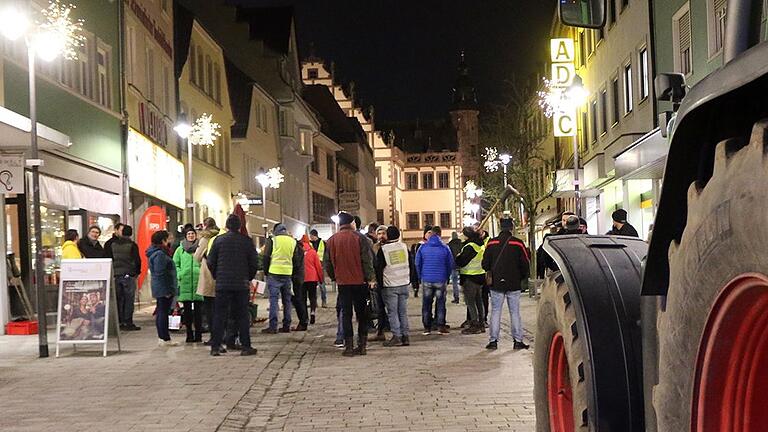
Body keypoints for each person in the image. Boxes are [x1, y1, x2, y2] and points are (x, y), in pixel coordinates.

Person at [207, 214, 259, 356]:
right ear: (240, 226)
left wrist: (217, 276)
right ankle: (246, 346)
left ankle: (215, 346)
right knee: (242, 315)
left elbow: (210, 261)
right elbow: (254, 263)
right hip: (241, 285)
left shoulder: (218, 241)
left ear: (227, 226)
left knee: (219, 315)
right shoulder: (246, 242)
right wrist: (248, 277)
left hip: (223, 284)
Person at [325, 211, 375, 357]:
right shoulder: (360, 238)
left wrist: (335, 277)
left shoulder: (331, 240)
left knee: (346, 314)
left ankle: (348, 346)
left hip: (343, 283)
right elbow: (367, 261)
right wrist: (371, 278)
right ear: (351, 222)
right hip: (360, 282)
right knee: (362, 314)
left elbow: (327, 264)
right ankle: (362, 345)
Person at [482, 217, 531, 350]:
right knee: (514, 312)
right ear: (511, 228)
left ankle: (493, 341)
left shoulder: (491, 243)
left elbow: (484, 264)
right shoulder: (518, 243)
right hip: (514, 283)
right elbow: (526, 264)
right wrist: (521, 277)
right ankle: (517, 340)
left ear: (500, 227)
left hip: (496, 283)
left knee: (496, 311)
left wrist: (492, 271)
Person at [261, 223, 304, 333]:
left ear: (276, 230)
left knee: (274, 300)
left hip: (274, 273)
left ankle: (273, 326)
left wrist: (266, 272)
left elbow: (266, 257)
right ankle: (286, 325)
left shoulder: (272, 240)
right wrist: (292, 271)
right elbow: (296, 260)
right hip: (287, 274)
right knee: (287, 301)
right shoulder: (292, 241)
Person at [375, 225, 411, 347]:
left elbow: (379, 268)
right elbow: (410, 264)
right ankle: (405, 336)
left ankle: (397, 336)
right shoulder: (404, 247)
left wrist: (379, 285)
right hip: (404, 282)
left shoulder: (384, 249)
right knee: (403, 312)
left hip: (390, 284)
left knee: (392, 312)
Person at [415, 225, 455, 335]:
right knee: (441, 303)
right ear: (440, 235)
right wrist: (446, 276)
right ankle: (440, 326)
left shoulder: (423, 247)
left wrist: (420, 276)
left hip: (426, 279)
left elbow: (417, 263)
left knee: (427, 303)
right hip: (440, 279)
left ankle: (427, 327)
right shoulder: (445, 248)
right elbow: (450, 264)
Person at [105, 225, 141, 331]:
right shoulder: (132, 245)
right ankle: (128, 322)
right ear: (130, 233)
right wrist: (136, 272)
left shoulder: (112, 244)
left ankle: (119, 322)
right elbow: (137, 261)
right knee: (129, 299)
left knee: (118, 299)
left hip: (116, 275)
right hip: (128, 275)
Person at [146, 230, 179, 347]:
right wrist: (167, 290)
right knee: (163, 312)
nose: (170, 240)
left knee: (161, 311)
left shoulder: (157, 252)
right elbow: (161, 272)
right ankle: (164, 338)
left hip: (161, 286)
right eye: (168, 238)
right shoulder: (160, 254)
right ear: (162, 240)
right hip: (163, 287)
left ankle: (163, 337)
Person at [174, 226, 203, 343]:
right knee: (187, 313)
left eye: (193, 234)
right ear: (185, 236)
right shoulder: (180, 250)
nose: (191, 236)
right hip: (185, 283)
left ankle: (199, 335)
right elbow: (175, 264)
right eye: (189, 234)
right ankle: (189, 334)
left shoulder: (200, 248)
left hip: (198, 283)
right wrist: (179, 274)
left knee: (198, 313)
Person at [455, 227, 486, 335]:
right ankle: (481, 323)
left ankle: (474, 324)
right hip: (480, 276)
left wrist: (458, 257)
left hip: (470, 277)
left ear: (466, 235)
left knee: (470, 302)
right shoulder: (480, 244)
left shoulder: (470, 246)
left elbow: (462, 261)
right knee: (479, 301)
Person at [194, 217, 219, 344]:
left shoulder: (204, 239)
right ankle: (221, 335)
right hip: (219, 275)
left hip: (208, 274)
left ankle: (213, 337)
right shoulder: (219, 237)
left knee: (209, 308)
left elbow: (197, 257)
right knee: (219, 308)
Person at [368, 224, 390, 342]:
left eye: (384, 233)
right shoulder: (374, 248)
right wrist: (372, 279)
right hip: (379, 282)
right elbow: (371, 264)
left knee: (392, 308)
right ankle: (380, 331)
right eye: (379, 234)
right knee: (380, 308)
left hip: (391, 281)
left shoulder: (391, 246)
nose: (382, 236)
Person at [300, 234, 323, 325]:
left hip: (302, 278)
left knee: (303, 298)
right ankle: (312, 312)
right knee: (312, 297)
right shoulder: (313, 252)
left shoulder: (299, 252)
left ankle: (305, 316)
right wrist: (321, 279)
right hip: (312, 278)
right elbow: (318, 266)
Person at [409, 226, 432, 298]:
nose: (430, 234)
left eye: (431, 233)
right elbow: (418, 258)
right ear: (425, 234)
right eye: (428, 232)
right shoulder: (421, 244)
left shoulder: (434, 244)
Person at [309, 229, 328, 308]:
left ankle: (324, 301)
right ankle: (314, 302)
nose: (311, 237)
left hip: (320, 266)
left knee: (321, 285)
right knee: (312, 286)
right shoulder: (309, 243)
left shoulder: (323, 243)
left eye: (311, 236)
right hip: (312, 267)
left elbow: (326, 255)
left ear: (315, 236)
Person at [448, 231, 463, 303]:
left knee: (455, 283)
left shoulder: (449, 245)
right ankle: (465, 298)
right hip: (462, 266)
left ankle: (456, 298)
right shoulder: (462, 244)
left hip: (454, 266)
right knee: (464, 282)